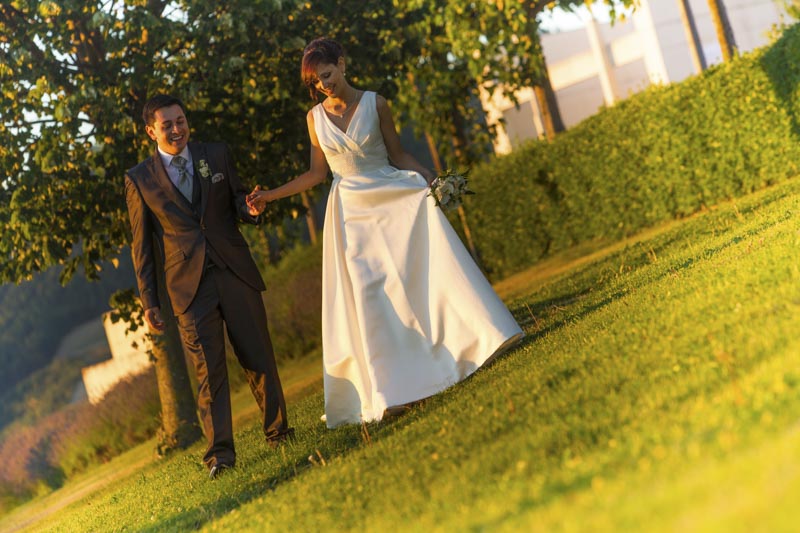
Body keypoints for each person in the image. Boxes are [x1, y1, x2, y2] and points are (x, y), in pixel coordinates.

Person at [247, 38, 523, 428]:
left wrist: (433, 179)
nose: (324, 85)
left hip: (392, 200)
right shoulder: (314, 119)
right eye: (316, 82)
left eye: (327, 74)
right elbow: (316, 174)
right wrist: (269, 196)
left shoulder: (377, 104)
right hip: (351, 214)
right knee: (370, 294)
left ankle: (462, 346)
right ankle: (389, 391)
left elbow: (399, 154)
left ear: (342, 64)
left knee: (411, 284)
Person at [125, 94, 294, 479]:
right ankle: (220, 456)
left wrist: (250, 208)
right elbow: (142, 246)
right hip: (188, 288)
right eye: (167, 124)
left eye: (181, 120)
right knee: (208, 373)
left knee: (258, 356)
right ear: (151, 131)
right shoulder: (138, 179)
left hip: (235, 270)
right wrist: (149, 300)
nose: (177, 129)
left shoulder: (216, 154)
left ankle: (279, 432)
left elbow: (236, 199)